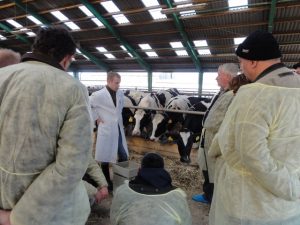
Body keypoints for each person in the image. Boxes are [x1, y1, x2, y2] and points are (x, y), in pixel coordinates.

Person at [0, 26, 93, 225]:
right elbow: (71, 166)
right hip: (44, 213)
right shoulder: (74, 89)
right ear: (68, 58)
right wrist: (17, 217)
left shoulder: (3, 75)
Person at [209, 30, 300, 225]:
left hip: (251, 205)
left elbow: (251, 152)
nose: (241, 68)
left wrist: (289, 187)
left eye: (241, 62)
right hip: (289, 209)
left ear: (253, 61)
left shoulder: (253, 94)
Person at [192, 63, 239, 204]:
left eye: (219, 75)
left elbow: (221, 120)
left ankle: (211, 197)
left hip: (216, 137)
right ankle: (209, 194)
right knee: (206, 166)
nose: (216, 78)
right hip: (209, 136)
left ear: (228, 77)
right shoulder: (223, 92)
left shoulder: (232, 95)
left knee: (213, 168)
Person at [110, 152, 192, 225]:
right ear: (163, 171)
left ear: (139, 170)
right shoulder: (178, 196)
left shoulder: (122, 191)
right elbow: (187, 222)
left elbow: (113, 220)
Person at [89, 72, 129, 191]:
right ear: (109, 81)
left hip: (117, 127)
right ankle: (106, 181)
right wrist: (96, 117)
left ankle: (121, 179)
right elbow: (87, 104)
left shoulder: (120, 94)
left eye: (119, 83)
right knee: (104, 156)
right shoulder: (98, 95)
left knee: (123, 154)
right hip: (106, 127)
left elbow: (120, 108)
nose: (118, 85)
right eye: (116, 83)